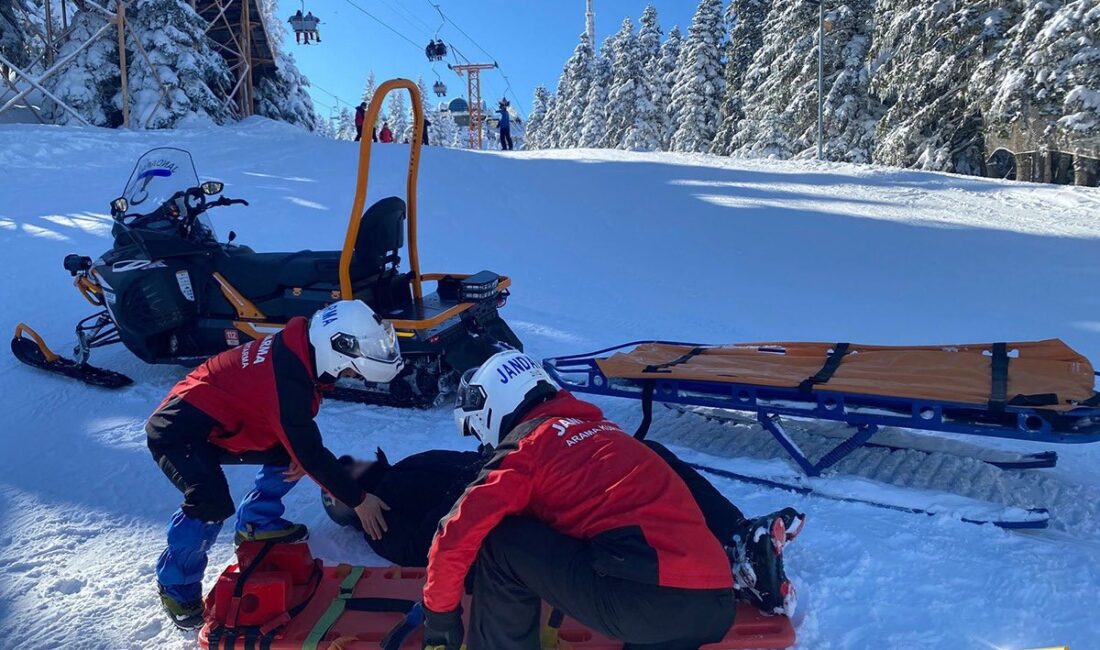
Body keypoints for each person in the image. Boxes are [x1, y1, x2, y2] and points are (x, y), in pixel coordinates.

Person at [419, 350, 804, 650]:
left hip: (644, 601)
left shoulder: (526, 449)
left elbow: (455, 535)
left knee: (499, 542)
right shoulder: (607, 435)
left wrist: (440, 622)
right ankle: (740, 549)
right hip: (713, 603)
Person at [147, 300, 404, 629]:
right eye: (351, 369)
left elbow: (297, 436)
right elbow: (311, 452)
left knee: (291, 454)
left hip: (220, 424)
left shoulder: (299, 355)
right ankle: (175, 585)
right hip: (176, 431)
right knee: (209, 502)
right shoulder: (288, 376)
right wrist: (358, 500)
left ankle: (257, 524)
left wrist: (299, 453)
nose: (351, 375)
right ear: (337, 348)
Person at [322, 449, 487, 566]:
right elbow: (421, 549)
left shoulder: (405, 464)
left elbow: (461, 458)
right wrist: (463, 490)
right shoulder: (377, 523)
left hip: (499, 475)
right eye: (348, 472)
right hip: (492, 514)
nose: (356, 463)